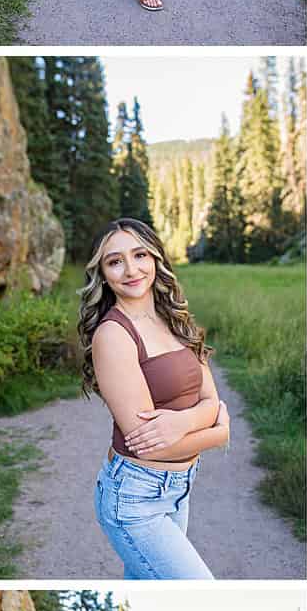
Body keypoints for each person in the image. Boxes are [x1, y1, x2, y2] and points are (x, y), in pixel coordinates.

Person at [79, 219, 230, 579]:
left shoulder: (177, 319)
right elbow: (150, 447)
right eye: (115, 261)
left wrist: (181, 421)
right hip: (135, 497)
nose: (131, 269)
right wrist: (219, 433)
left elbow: (211, 398)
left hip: (180, 488)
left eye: (140, 255)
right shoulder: (113, 335)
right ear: (103, 274)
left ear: (155, 258)